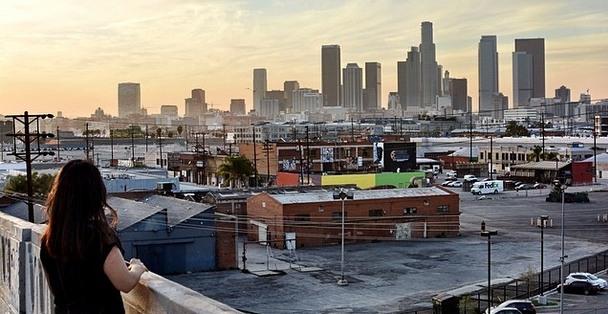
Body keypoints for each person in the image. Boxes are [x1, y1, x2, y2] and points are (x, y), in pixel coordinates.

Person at [40, 159, 147, 313]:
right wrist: (137, 267)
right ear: (95, 194)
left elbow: (56, 288)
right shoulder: (99, 237)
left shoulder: (49, 239)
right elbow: (125, 283)